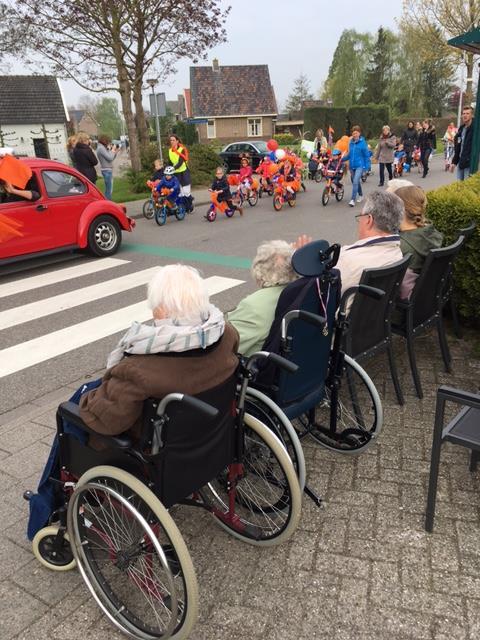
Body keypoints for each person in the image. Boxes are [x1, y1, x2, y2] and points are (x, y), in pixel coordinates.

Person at [26, 265, 240, 539]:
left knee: (71, 411)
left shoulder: (140, 369)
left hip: (149, 456)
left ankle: (45, 509)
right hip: (209, 439)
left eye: (156, 308)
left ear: (161, 312)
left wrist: (88, 399)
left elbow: (106, 421)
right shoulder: (226, 334)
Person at [293, 191, 404, 312]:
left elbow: (316, 292)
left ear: (369, 220)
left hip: (336, 324)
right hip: (370, 320)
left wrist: (303, 262)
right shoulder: (396, 252)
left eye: (361, 216)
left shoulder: (347, 260)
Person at [227, 240, 297, 356]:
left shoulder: (253, 306)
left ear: (259, 271)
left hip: (258, 367)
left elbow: (227, 349)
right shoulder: (301, 291)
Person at [395, 185, 443, 299]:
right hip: (427, 298)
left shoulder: (401, 246)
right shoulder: (431, 232)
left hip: (405, 302)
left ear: (399, 209)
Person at [342, 125, 370, 207]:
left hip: (360, 166)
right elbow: (349, 155)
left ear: (359, 133)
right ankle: (361, 195)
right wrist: (341, 159)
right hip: (352, 166)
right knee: (355, 181)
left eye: (356, 133)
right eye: (353, 133)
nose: (355, 135)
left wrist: (366, 167)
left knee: (355, 181)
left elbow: (366, 156)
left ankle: (352, 200)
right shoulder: (351, 143)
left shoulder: (362, 143)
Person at [169, 134, 193, 212]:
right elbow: (169, 162)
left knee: (186, 192)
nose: (172, 141)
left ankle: (190, 204)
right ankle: (184, 207)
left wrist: (172, 168)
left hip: (183, 172)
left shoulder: (181, 149)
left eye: (173, 140)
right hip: (175, 173)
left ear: (177, 141)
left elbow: (180, 162)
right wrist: (167, 169)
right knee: (179, 192)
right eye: (171, 140)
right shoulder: (170, 151)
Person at [452, 106, 475, 181]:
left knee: (467, 188)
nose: (465, 115)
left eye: (467, 113)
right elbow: (458, 147)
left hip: (470, 164)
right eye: (463, 113)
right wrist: (454, 162)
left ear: (472, 115)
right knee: (459, 187)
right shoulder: (461, 128)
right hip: (461, 163)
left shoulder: (475, 128)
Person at [96, 134, 119, 200]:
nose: (109, 143)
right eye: (108, 141)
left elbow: (111, 158)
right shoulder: (101, 148)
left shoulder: (102, 148)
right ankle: (107, 203)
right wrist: (113, 150)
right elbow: (110, 158)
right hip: (106, 171)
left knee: (109, 189)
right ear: (104, 140)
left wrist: (115, 152)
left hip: (108, 170)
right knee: (108, 190)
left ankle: (107, 203)